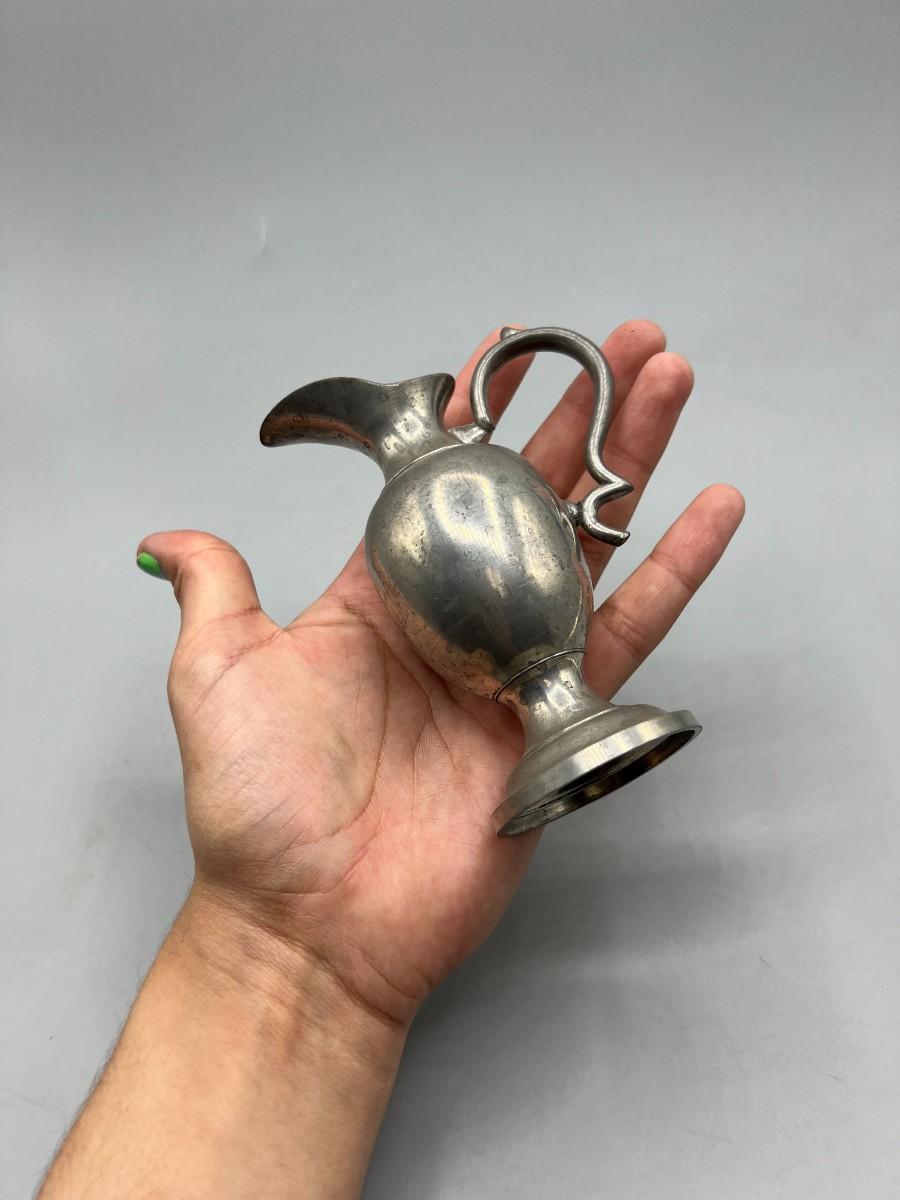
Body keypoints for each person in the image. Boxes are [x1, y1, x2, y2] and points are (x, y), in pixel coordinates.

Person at [39, 321, 744, 1198]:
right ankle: (559, 715)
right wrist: (283, 936)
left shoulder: (424, 500)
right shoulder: (404, 519)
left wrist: (587, 495)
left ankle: (564, 712)